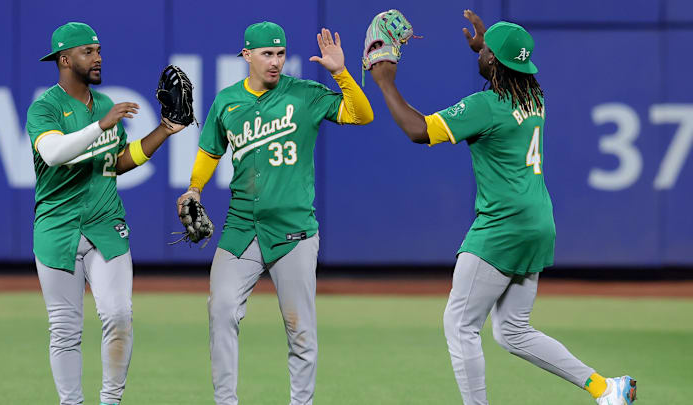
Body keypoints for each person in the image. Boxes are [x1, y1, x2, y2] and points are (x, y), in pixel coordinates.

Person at [368, 10, 637, 405]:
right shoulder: (533, 95)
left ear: (493, 60)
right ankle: (605, 388)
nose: (481, 51)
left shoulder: (486, 105)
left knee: (459, 325)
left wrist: (385, 83)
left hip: (503, 226)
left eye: (487, 50)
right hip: (538, 222)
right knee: (512, 330)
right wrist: (490, 50)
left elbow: (418, 130)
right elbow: (509, 70)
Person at [175, 21, 373, 405]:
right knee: (221, 310)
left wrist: (341, 73)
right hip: (242, 226)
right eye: (267, 53)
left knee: (300, 330)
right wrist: (195, 187)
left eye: (281, 54)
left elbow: (361, 115)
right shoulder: (227, 101)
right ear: (247, 55)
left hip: (293, 228)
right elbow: (210, 151)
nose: (275, 62)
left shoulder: (304, 94)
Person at [27, 22, 185, 405]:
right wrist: (101, 125)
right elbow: (53, 153)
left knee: (118, 316)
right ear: (65, 59)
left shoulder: (103, 105)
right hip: (56, 228)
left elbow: (118, 162)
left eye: (98, 50)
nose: (98, 58)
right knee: (65, 330)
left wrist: (163, 131)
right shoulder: (45, 107)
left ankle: (111, 401)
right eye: (88, 51)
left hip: (105, 225)